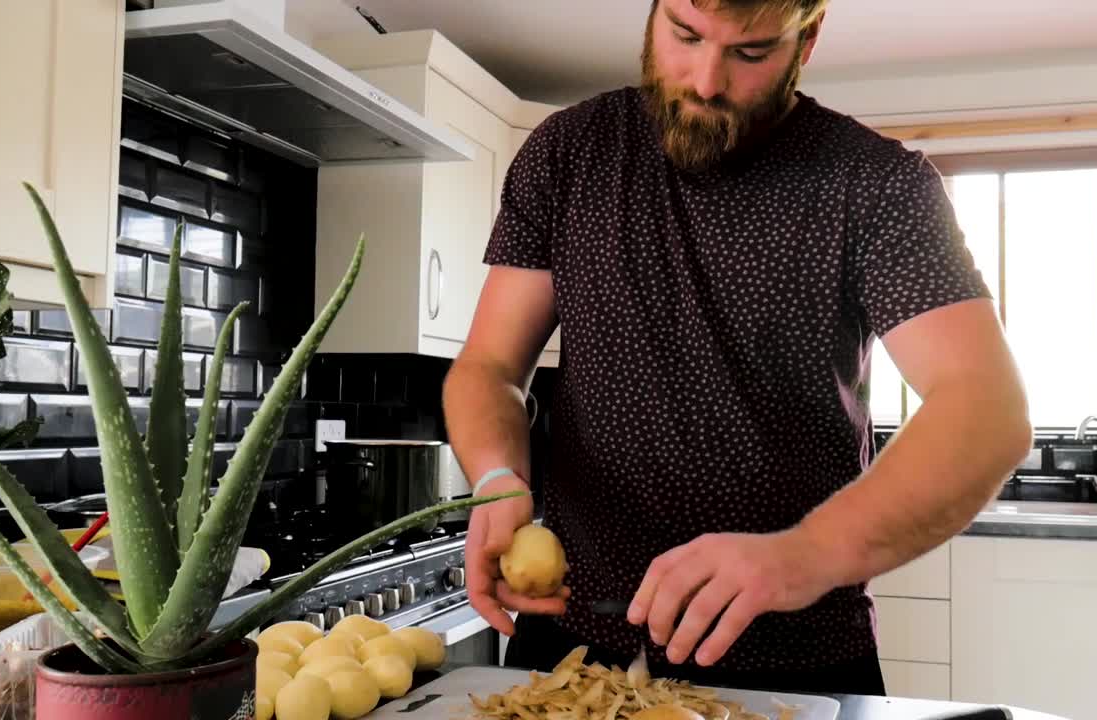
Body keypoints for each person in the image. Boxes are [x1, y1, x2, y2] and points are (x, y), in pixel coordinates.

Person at [442, 0, 1032, 697]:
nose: (706, 80)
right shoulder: (567, 152)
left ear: (806, 41)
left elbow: (986, 412)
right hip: (572, 644)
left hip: (800, 659)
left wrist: (804, 555)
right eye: (684, 35)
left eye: (749, 53)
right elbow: (488, 366)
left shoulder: (880, 185)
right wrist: (494, 477)